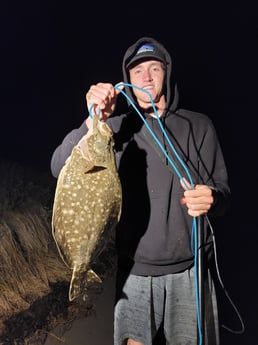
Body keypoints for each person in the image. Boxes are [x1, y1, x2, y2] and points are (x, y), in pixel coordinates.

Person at [50, 37, 230, 345]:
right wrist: (93, 118)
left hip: (189, 268)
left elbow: (222, 192)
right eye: (137, 71)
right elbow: (58, 166)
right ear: (128, 80)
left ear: (166, 73)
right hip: (134, 268)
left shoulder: (198, 126)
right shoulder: (116, 129)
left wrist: (212, 198)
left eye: (154, 68)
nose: (146, 77)